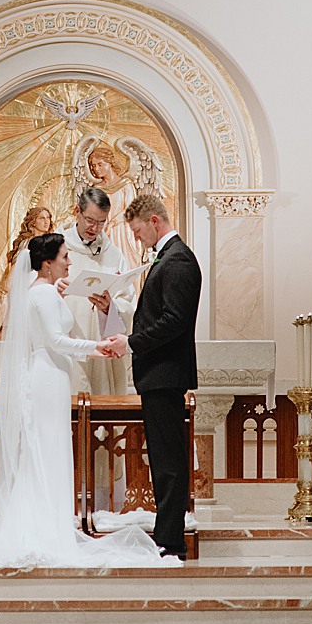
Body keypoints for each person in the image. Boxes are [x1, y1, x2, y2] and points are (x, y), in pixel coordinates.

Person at [0, 232, 170, 568]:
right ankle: (46, 530)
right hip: (48, 377)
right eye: (65, 257)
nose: (70, 261)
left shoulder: (39, 292)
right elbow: (56, 340)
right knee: (48, 450)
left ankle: (44, 523)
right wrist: (97, 348)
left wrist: (62, 300)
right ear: (47, 264)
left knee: (45, 450)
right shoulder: (45, 293)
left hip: (47, 376)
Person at [100, 193, 202, 561]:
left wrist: (129, 344)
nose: (138, 238)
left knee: (169, 462)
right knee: (163, 460)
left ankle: (171, 542)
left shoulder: (177, 261)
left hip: (165, 374)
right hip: (159, 375)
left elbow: (173, 322)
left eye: (139, 230)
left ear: (155, 221)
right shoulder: (169, 258)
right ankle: (167, 536)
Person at [61, 187, 136, 511]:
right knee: (72, 423)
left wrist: (109, 306)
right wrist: (58, 290)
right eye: (89, 220)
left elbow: (127, 299)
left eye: (101, 223)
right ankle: (69, 500)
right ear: (77, 213)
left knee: (105, 429)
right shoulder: (58, 247)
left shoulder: (114, 253)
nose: (94, 228)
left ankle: (104, 505)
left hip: (103, 355)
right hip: (72, 354)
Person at [0, 205, 51, 342]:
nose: (47, 221)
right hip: (25, 288)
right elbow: (17, 266)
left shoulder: (47, 242)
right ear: (33, 222)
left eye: (48, 218)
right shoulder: (29, 243)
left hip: (39, 287)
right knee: (19, 329)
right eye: (42, 218)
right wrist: (4, 290)